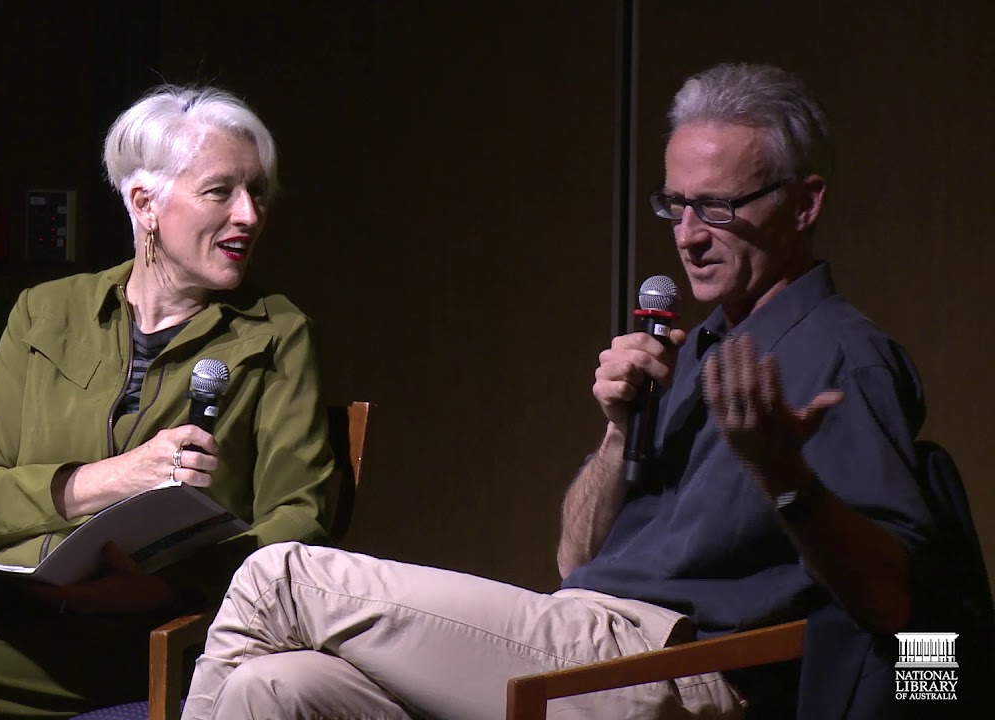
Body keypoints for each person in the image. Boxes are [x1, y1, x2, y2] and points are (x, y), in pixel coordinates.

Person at [178, 63, 932, 720]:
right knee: (275, 689)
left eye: (719, 206)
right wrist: (618, 430)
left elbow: (897, 601)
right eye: (675, 205)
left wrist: (784, 475)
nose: (689, 235)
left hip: (673, 670)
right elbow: (575, 560)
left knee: (278, 576)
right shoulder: (697, 349)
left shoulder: (843, 356)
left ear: (804, 204)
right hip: (584, 636)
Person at [0, 84, 336, 719]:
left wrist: (168, 586)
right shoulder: (46, 312)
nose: (249, 215)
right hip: (13, 618)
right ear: (145, 203)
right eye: (220, 191)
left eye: (257, 192)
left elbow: (297, 521)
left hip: (156, 641)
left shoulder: (277, 333)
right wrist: (117, 477)